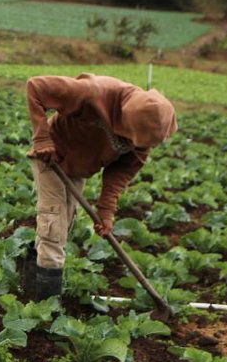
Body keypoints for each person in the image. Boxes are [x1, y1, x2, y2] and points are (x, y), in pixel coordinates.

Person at [22, 73, 177, 299]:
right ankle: (45, 306)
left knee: (63, 224)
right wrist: (42, 139)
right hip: (52, 157)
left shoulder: (147, 131)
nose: (135, 145)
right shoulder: (93, 92)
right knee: (53, 222)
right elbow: (35, 87)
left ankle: (31, 277)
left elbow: (120, 173)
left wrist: (105, 211)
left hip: (78, 168)